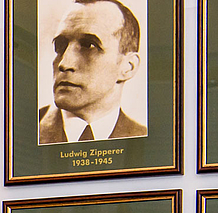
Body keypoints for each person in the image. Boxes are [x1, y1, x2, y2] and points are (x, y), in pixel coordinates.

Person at [39, 0, 145, 144]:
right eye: (60, 46)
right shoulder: (20, 132)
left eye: (89, 45)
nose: (64, 63)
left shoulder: (147, 140)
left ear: (128, 67)